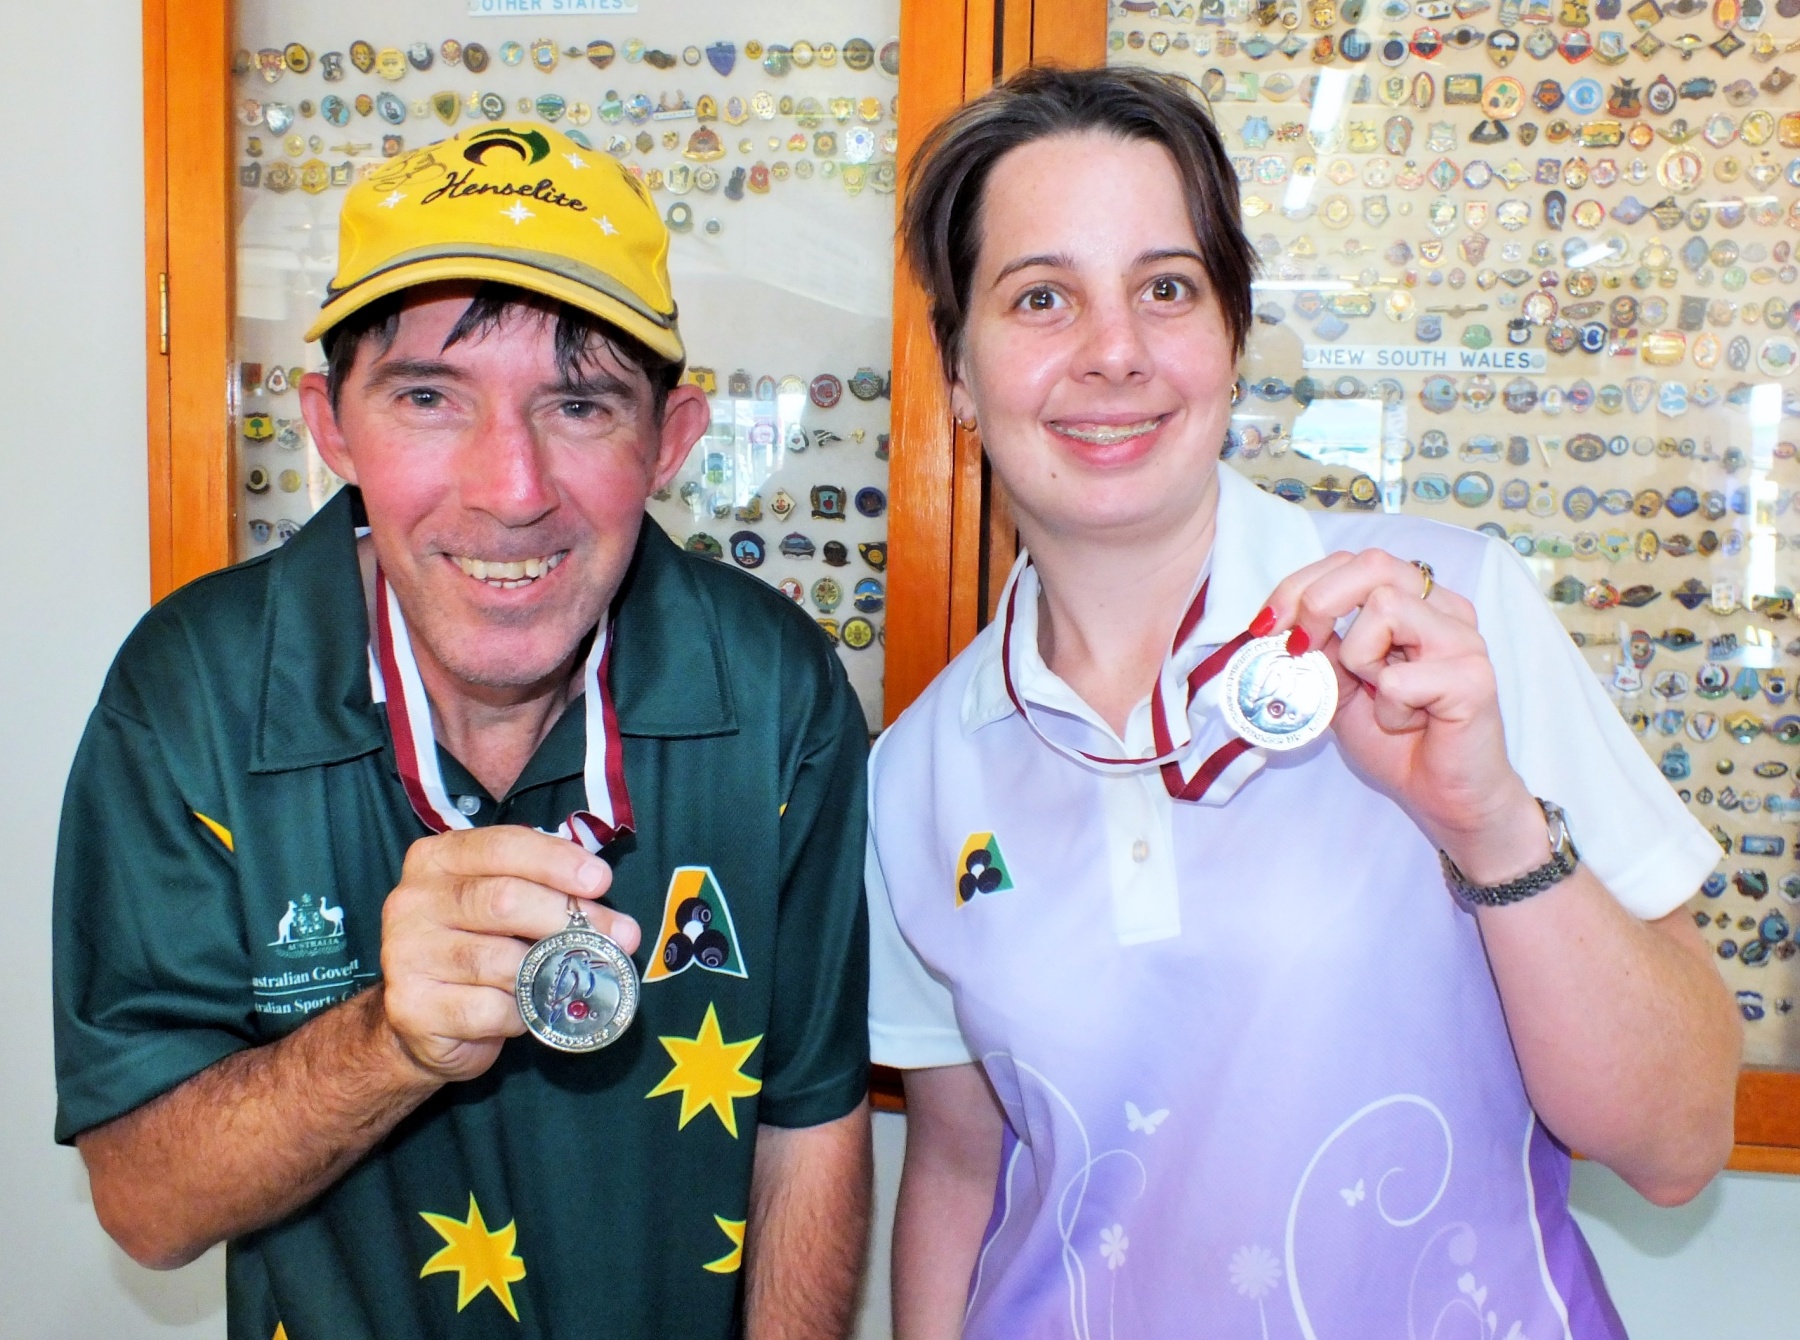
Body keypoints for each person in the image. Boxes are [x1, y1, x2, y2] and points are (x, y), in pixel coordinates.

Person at [868, 66, 1740, 1339]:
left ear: (1232, 336)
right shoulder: (918, 771)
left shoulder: (1447, 617)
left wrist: (1491, 822)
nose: (1114, 350)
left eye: (1167, 287)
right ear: (957, 369)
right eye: (1040, 296)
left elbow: (1679, 1141)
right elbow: (960, 1169)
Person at [55, 122, 871, 1340]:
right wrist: (389, 1039)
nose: (511, 488)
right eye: (429, 396)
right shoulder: (192, 690)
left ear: (671, 439)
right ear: (332, 424)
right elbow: (145, 1203)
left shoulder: (776, 688)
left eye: (580, 403)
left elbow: (808, 1120)